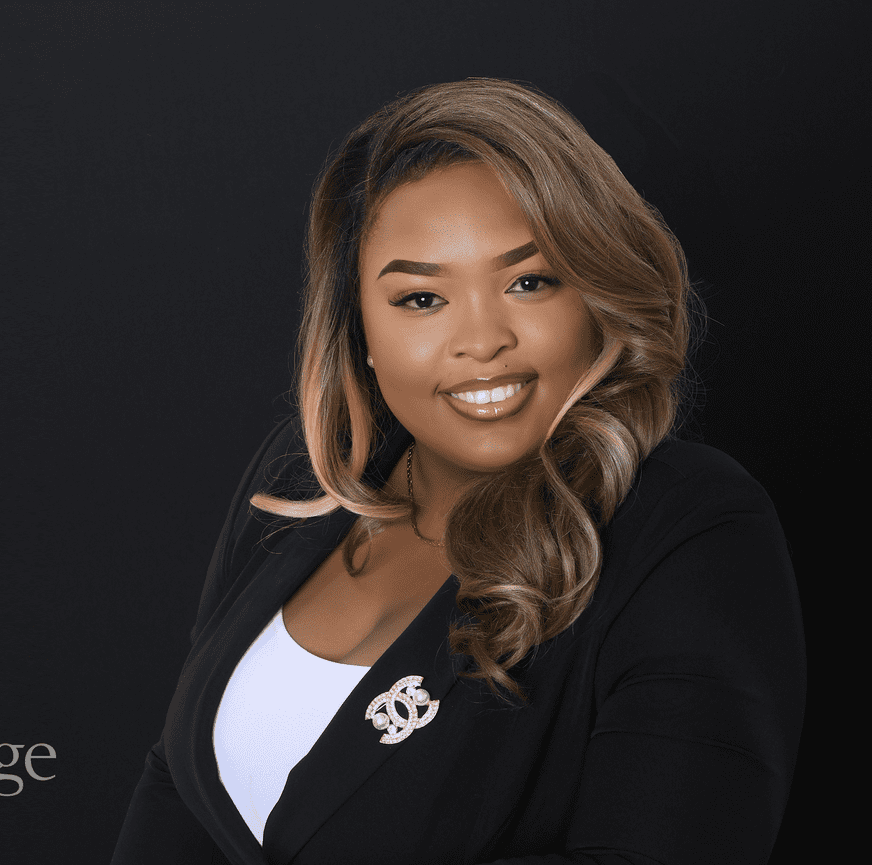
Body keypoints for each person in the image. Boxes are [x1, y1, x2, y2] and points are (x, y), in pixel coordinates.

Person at [111, 79, 805, 865]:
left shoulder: (688, 528)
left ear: (596, 294)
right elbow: (179, 776)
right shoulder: (307, 480)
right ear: (360, 329)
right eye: (420, 298)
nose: (481, 340)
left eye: (528, 282)